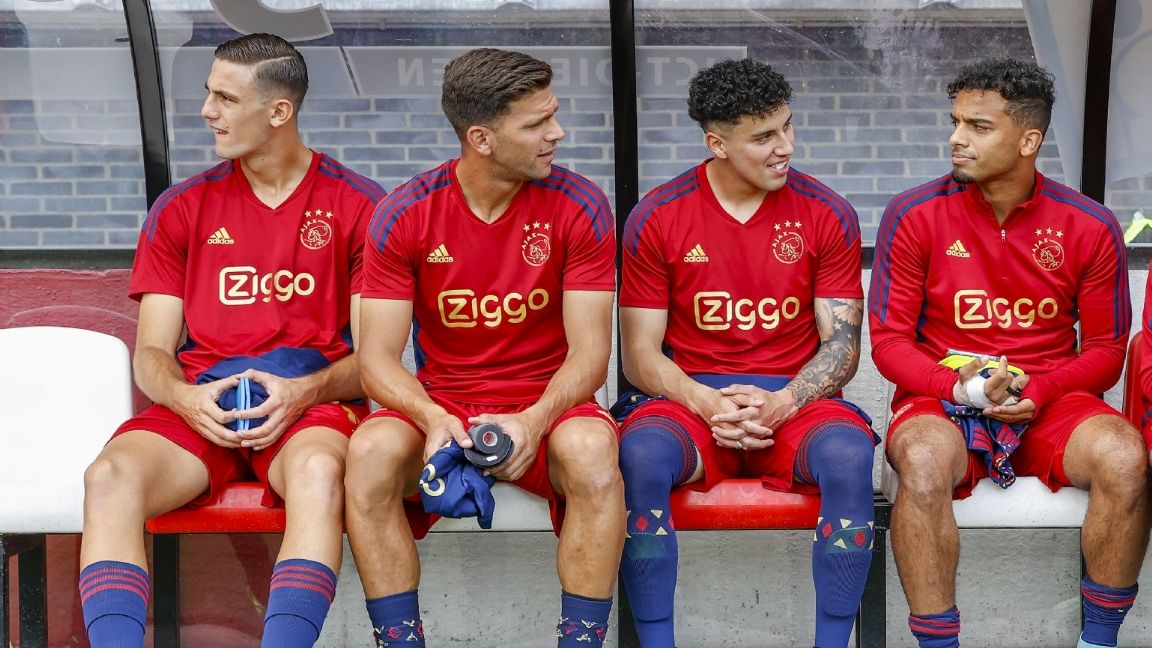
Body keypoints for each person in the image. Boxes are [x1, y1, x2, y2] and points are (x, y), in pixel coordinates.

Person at [79, 33, 384, 648]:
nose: (207, 111)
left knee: (320, 471)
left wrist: (302, 392)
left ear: (279, 111)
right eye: (208, 94)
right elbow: (152, 353)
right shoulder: (182, 207)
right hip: (204, 405)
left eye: (226, 97)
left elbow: (374, 361)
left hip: (310, 407)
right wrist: (185, 398)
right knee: (110, 476)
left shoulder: (360, 205)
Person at [344, 48, 624, 647]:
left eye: (554, 115)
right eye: (537, 123)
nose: (557, 133)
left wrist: (533, 421)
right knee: (368, 451)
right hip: (443, 405)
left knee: (593, 449)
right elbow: (375, 360)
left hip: (549, 404)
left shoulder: (581, 205)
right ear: (482, 138)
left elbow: (591, 356)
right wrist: (431, 417)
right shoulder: (405, 212)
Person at [870, 57, 1149, 648]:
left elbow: (1106, 351)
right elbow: (890, 343)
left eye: (978, 126)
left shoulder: (1090, 224)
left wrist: (1041, 389)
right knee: (921, 460)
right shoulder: (912, 213)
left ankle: (1098, 641)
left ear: (1028, 141)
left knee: (1125, 456)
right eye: (955, 122)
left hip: (1051, 402)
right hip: (943, 400)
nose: (957, 138)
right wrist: (961, 388)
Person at [616, 58, 876, 648]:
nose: (786, 147)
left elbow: (842, 347)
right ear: (717, 143)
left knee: (848, 456)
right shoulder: (657, 216)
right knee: (639, 456)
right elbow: (639, 355)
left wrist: (784, 401)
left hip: (794, 401)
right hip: (690, 403)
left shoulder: (827, 212)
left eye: (787, 126)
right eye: (763, 137)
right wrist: (704, 400)